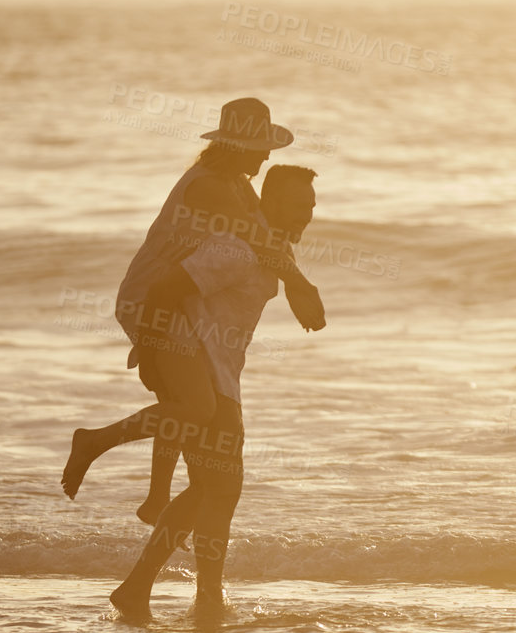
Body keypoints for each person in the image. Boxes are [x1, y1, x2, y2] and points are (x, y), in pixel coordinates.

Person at [60, 98, 323, 506]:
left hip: (178, 294)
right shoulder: (210, 187)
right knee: (196, 407)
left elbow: (267, 241)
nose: (269, 154)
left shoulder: (237, 182)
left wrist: (294, 284)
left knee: (183, 402)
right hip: (151, 296)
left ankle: (155, 497)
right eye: (261, 146)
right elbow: (256, 243)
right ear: (238, 147)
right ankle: (94, 442)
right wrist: (301, 286)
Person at [107, 163, 318, 622]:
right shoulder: (236, 247)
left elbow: (279, 261)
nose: (307, 215)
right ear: (272, 202)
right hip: (202, 370)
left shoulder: (269, 245)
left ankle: (151, 589)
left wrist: (302, 290)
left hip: (223, 376)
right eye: (298, 205)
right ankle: (190, 596)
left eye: (312, 207)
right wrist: (151, 354)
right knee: (218, 489)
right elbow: (167, 290)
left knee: (212, 491)